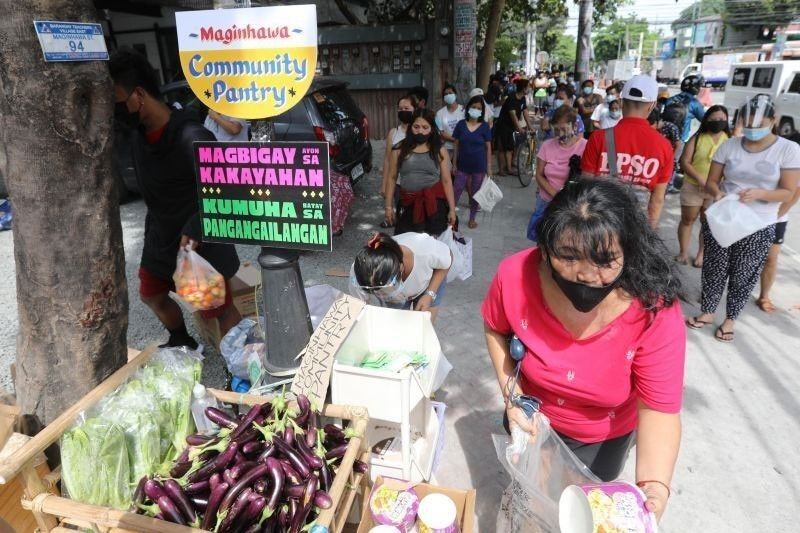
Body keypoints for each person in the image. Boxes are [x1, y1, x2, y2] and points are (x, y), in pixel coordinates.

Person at [483, 178, 684, 519]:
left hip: (602, 437)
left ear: (630, 251)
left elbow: (659, 409)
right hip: (531, 420)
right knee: (532, 498)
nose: (587, 275)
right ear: (544, 248)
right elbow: (495, 329)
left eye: (606, 261)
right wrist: (512, 396)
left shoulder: (654, 309)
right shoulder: (515, 275)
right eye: (569, 256)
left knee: (579, 512)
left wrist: (655, 486)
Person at [110, 48, 241, 350]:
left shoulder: (192, 136)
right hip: (160, 238)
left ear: (138, 95)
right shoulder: (138, 136)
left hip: (198, 242)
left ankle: (240, 363)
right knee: (150, 294)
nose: (115, 111)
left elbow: (226, 191)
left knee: (217, 308)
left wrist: (196, 228)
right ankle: (181, 339)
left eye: (117, 102)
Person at [687, 95, 800, 342]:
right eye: (747, 124)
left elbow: (789, 191)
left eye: (758, 124)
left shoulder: (788, 150)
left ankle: (730, 319)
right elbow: (713, 182)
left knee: (745, 272)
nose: (752, 130)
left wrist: (761, 194)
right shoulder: (730, 145)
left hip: (758, 223)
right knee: (714, 268)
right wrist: (718, 194)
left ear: (773, 120)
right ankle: (707, 311)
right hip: (725, 218)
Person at [581, 75, 674, 228]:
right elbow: (657, 200)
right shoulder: (664, 146)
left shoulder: (599, 138)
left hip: (600, 226)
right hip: (636, 229)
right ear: (652, 105)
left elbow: (585, 186)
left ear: (622, 102)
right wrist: (649, 234)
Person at [384, 109, 457, 236]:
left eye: (425, 127)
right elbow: (391, 178)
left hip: (434, 206)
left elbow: (446, 181)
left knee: (433, 247)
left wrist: (452, 209)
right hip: (407, 204)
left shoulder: (439, 150)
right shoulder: (398, 149)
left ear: (432, 129)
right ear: (410, 126)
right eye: (416, 127)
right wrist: (388, 207)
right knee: (406, 244)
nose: (420, 131)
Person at [675, 105, 731, 267]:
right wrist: (701, 180)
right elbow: (685, 162)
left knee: (707, 223)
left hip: (716, 190)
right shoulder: (697, 138)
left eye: (721, 119)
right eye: (713, 119)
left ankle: (701, 254)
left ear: (727, 120)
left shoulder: (729, 140)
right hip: (693, 186)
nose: (717, 122)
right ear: (706, 119)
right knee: (688, 219)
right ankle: (683, 252)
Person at [352, 232, 451, 322]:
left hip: (429, 284)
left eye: (384, 287)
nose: (380, 293)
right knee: (397, 325)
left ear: (401, 266)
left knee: (426, 324)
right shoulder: (360, 271)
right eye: (375, 291)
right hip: (399, 296)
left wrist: (430, 294)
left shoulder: (426, 252)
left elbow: (448, 258)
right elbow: (359, 309)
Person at [528, 105, 587, 241]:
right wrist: (556, 195)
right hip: (546, 202)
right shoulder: (547, 146)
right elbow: (539, 175)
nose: (560, 134)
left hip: (571, 205)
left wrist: (564, 198)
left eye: (563, 129)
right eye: (556, 130)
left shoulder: (585, 147)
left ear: (573, 126)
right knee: (541, 240)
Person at [757, 186, 800, 312]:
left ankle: (764, 296)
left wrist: (773, 218)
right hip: (748, 212)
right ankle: (714, 295)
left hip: (777, 218)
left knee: (771, 258)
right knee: (734, 253)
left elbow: (796, 192)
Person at [380, 94, 420, 228]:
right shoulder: (393, 133)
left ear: (415, 109)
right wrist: (384, 185)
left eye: (407, 108)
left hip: (418, 185)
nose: (403, 111)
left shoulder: (419, 131)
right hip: (398, 184)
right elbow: (387, 160)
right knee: (403, 216)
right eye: (400, 108)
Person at [453, 96, 493, 229]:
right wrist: (454, 163)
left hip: (478, 167)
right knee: (456, 190)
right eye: (473, 107)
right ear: (468, 108)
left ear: (482, 111)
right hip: (462, 166)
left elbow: (488, 148)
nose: (476, 110)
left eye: (479, 108)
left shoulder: (485, 127)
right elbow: (456, 145)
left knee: (476, 193)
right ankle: (451, 215)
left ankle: (472, 218)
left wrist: (489, 167)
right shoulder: (460, 125)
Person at [493, 78, 529, 176]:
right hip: (503, 125)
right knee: (501, 148)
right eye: (527, 87)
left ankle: (508, 168)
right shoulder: (511, 98)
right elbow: (513, 115)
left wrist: (529, 126)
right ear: (523, 89)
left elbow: (525, 111)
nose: (529, 89)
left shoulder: (522, 98)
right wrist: (519, 128)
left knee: (509, 148)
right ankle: (501, 170)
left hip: (511, 126)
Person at [664, 75, 706, 144]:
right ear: (695, 88)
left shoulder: (670, 100)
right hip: (681, 141)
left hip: (665, 138)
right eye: (699, 87)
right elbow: (705, 119)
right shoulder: (694, 103)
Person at [435, 83, 464, 159]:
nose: (448, 95)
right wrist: (456, 140)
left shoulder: (464, 110)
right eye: (445, 94)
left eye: (450, 93)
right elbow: (440, 132)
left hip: (463, 147)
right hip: (446, 148)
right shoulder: (439, 113)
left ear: (455, 95)